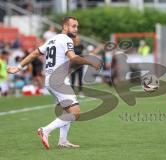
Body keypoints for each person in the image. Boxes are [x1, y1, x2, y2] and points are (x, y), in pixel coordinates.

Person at [7, 16, 101, 149]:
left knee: (67, 111)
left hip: (50, 80)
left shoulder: (52, 40)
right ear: (64, 27)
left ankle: (63, 141)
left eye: (77, 26)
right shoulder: (66, 39)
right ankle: (45, 130)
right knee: (75, 112)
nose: (76, 29)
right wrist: (91, 62)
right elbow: (73, 58)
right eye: (73, 26)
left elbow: (35, 53)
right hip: (58, 80)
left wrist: (18, 67)